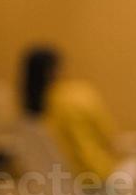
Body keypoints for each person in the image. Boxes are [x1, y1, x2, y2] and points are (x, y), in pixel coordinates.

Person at [19, 47, 118, 181]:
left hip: (53, 185)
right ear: (55, 69)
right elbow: (109, 137)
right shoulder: (79, 95)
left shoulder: (27, 114)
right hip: (95, 178)